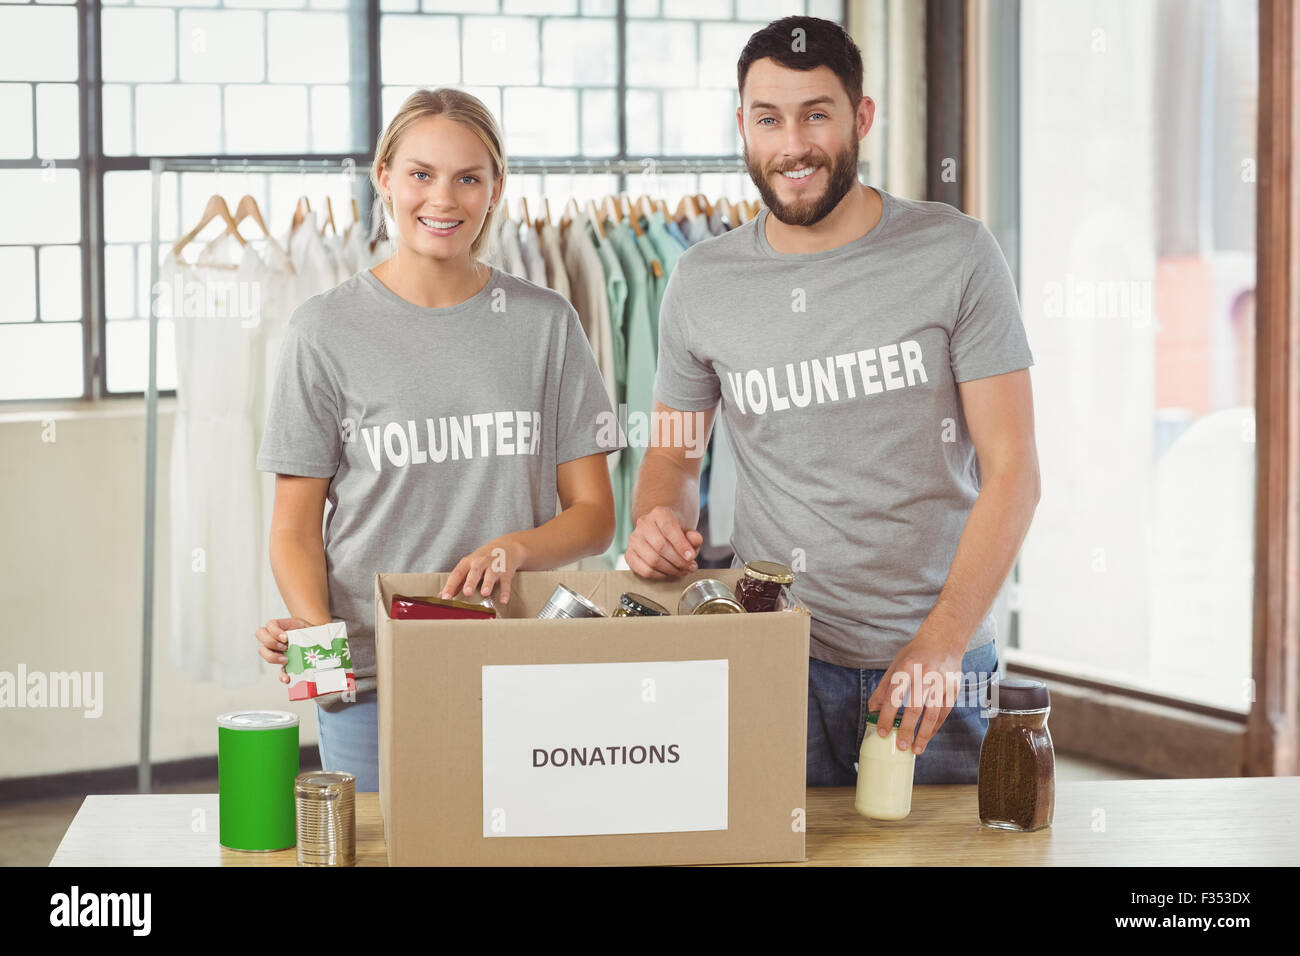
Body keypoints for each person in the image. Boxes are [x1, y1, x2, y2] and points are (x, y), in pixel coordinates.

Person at [627, 16, 1040, 785]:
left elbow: (1014, 470)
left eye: (817, 113)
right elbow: (673, 456)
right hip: (777, 654)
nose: (793, 145)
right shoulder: (700, 281)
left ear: (862, 118)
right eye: (768, 118)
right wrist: (658, 518)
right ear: (743, 126)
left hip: (943, 661)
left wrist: (942, 643)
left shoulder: (955, 252)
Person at [253, 88, 618, 790]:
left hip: (519, 663)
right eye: (420, 174)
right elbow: (294, 530)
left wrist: (517, 547)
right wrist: (313, 641)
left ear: (494, 189)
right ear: (384, 176)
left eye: (467, 178)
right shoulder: (322, 330)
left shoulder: (546, 323)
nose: (442, 199)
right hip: (371, 679)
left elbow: (595, 517)